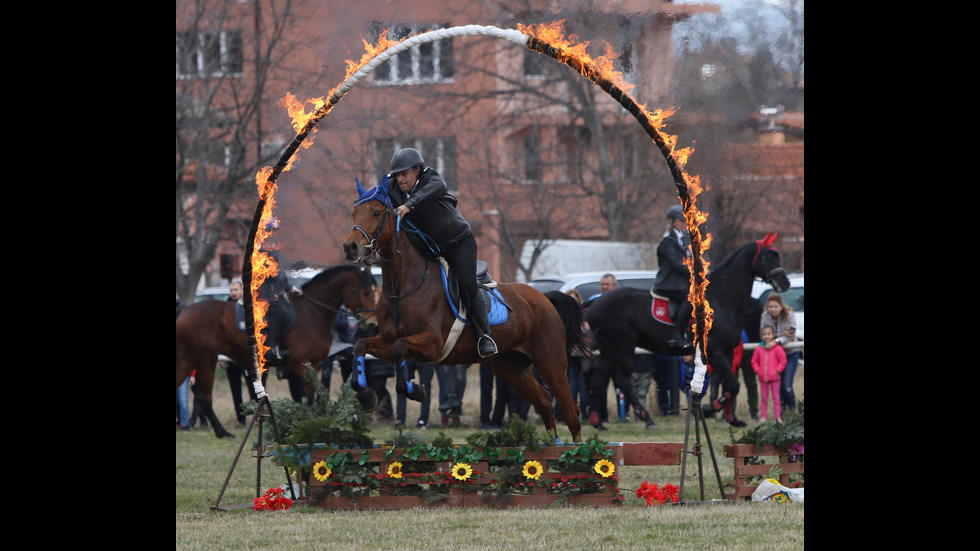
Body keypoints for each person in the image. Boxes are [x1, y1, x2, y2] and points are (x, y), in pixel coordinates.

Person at [387, 147, 496, 358]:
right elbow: (376, 197)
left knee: (466, 281)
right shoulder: (392, 186)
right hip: (428, 250)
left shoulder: (432, 178)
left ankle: (485, 336)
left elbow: (437, 187)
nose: (400, 179)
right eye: (397, 174)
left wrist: (409, 205)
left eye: (404, 173)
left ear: (417, 171)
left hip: (458, 243)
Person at [652, 205, 693, 347]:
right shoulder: (667, 241)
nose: (685, 223)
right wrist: (695, 273)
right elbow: (676, 263)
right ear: (673, 222)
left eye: (686, 220)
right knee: (690, 300)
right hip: (671, 282)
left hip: (684, 281)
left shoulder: (688, 238)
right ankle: (677, 335)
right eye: (681, 220)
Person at [760, 293, 800, 414]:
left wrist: (776, 340)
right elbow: (764, 335)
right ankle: (782, 411)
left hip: (790, 353)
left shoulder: (790, 315)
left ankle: (792, 409)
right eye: (770, 307)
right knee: (778, 385)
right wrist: (782, 335)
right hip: (775, 355)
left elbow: (791, 334)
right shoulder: (765, 316)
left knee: (787, 385)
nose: (772, 309)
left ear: (781, 306)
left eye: (775, 306)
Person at [222, 280, 253, 425]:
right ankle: (241, 419)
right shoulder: (225, 308)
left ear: (242, 290)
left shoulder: (248, 306)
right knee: (235, 390)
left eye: (235, 289)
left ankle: (257, 415)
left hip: (245, 356)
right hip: (230, 357)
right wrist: (222, 357)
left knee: (253, 387)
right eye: (231, 290)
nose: (233, 292)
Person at [751, 325, 787, 422]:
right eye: (764, 334)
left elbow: (783, 361)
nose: (766, 336)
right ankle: (764, 416)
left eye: (768, 334)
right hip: (763, 378)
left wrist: (777, 370)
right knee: (763, 398)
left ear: (773, 335)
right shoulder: (759, 348)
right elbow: (754, 361)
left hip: (775, 378)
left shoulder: (777, 348)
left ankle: (777, 417)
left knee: (776, 398)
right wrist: (757, 370)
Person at [396, 360, 434, 429]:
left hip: (424, 356)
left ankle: (423, 421)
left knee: (425, 389)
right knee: (402, 387)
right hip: (408, 357)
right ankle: (400, 420)